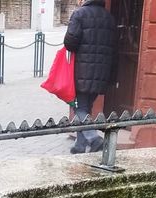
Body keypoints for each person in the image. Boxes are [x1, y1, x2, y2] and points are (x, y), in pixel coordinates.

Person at [63, 0, 117, 154]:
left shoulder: (79, 14)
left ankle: (94, 138)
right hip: (102, 72)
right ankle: (80, 146)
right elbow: (114, 48)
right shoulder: (109, 18)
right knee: (86, 108)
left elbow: (70, 43)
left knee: (78, 108)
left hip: (82, 71)